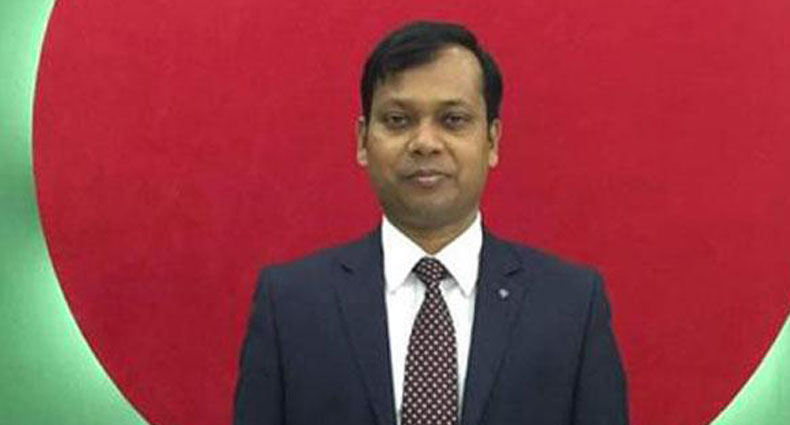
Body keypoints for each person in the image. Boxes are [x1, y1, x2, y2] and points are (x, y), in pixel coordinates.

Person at [234, 20, 628, 425]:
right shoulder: (290, 305)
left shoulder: (571, 306)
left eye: (453, 120)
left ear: (492, 141)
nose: (425, 142)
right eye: (397, 120)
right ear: (362, 140)